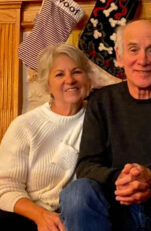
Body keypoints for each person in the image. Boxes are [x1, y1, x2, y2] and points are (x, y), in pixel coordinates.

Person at [59, 19, 151, 231]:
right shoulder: (101, 102)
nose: (143, 60)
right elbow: (87, 165)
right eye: (133, 50)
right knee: (76, 191)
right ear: (119, 57)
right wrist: (119, 178)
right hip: (114, 210)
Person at [0, 43, 92, 231]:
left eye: (77, 72)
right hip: (31, 214)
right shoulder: (25, 125)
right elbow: (5, 188)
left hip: (78, 213)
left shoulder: (99, 120)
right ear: (47, 84)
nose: (70, 80)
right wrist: (41, 217)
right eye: (59, 74)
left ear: (88, 78)